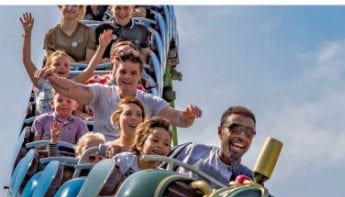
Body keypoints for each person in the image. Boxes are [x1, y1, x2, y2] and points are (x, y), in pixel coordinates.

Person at [36, 52, 202, 141]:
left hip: (132, 156)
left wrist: (189, 116)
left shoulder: (148, 101)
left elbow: (179, 120)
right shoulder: (102, 92)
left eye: (133, 73)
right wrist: (54, 79)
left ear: (140, 76)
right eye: (123, 72)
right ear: (114, 73)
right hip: (103, 154)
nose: (127, 77)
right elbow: (73, 90)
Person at [20, 12, 112, 116]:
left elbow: (89, 70)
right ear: (48, 67)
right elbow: (26, 60)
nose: (61, 67)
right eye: (57, 64)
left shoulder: (73, 83)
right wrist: (27, 34)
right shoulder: (40, 81)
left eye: (66, 65)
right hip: (44, 129)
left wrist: (102, 47)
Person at [169, 106, 255, 186]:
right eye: (235, 130)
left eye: (248, 133)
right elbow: (158, 162)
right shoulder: (193, 151)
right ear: (220, 132)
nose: (242, 137)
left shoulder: (247, 178)